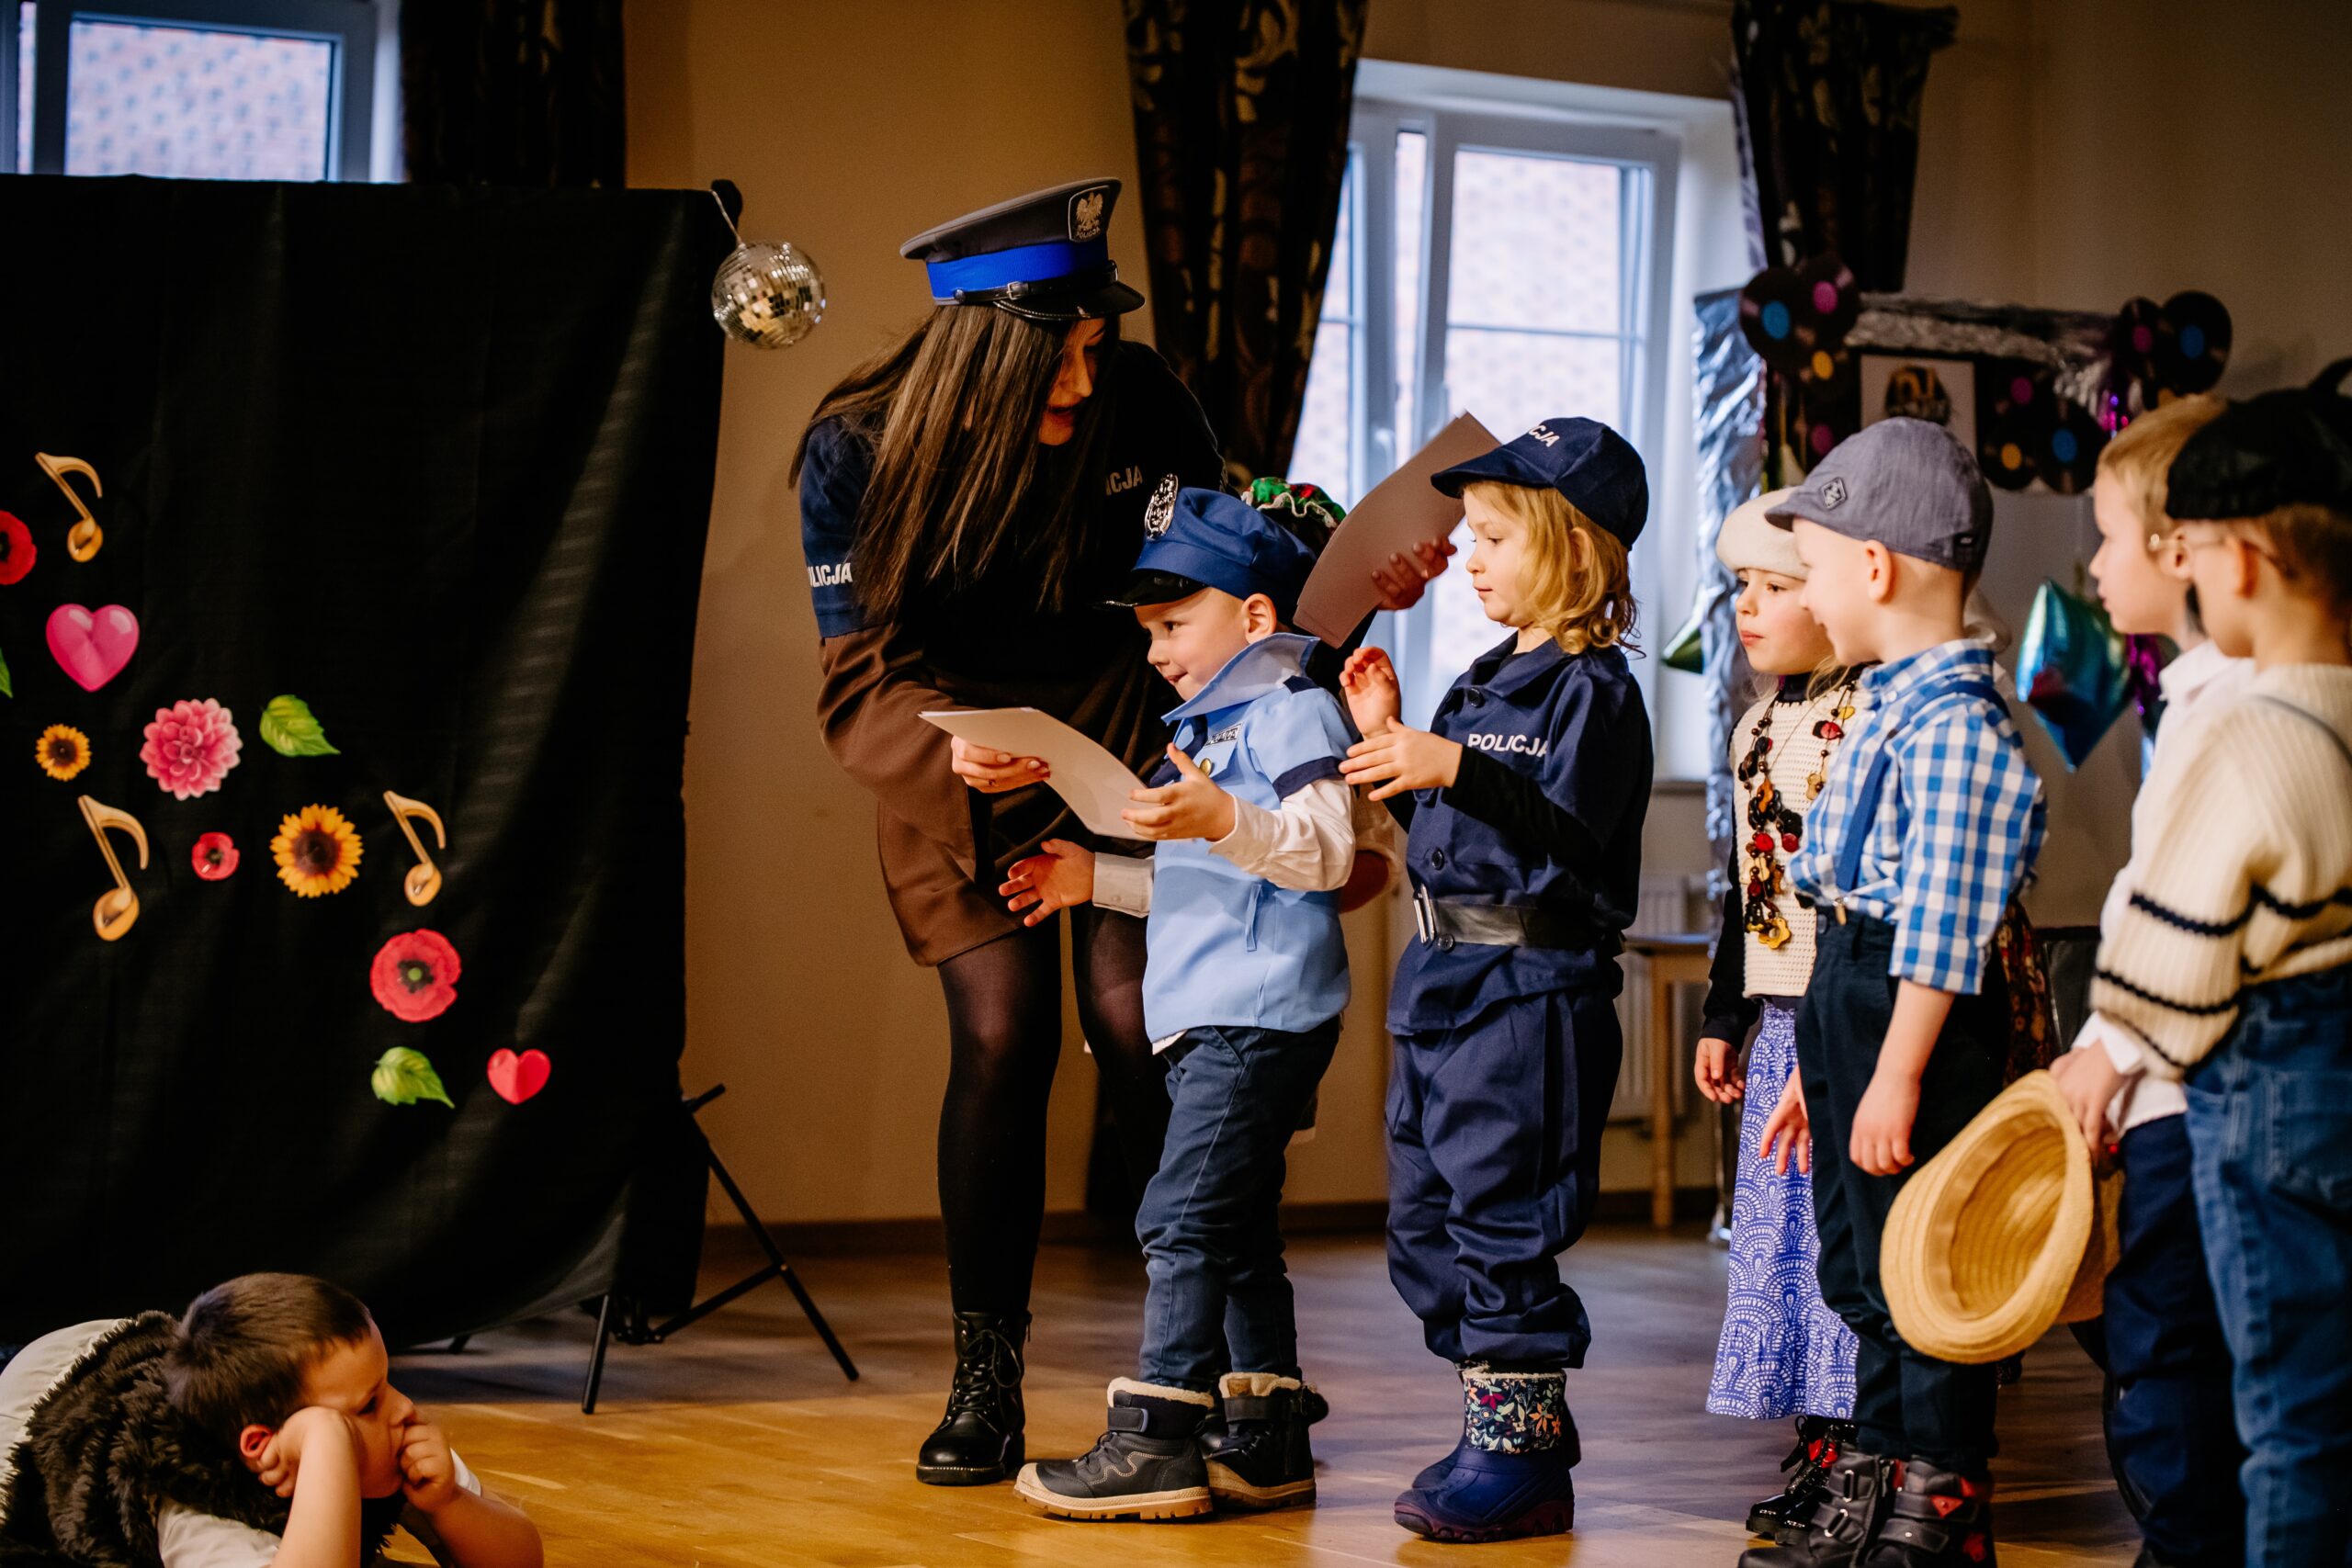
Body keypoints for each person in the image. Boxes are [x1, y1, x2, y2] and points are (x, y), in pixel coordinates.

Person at [792, 176, 1226, 1486]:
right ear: (987, 346)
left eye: (1097, 344)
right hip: (953, 748)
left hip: (1127, 728)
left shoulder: (1145, 401)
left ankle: (1194, 1367)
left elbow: (1221, 578)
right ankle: (986, 1378)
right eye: (1065, 352)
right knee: (1000, 1035)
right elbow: (859, 669)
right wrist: (953, 746)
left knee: (1139, 1023)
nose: (1088, 380)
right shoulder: (855, 444)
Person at [1004, 487, 1356, 1521]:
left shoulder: (1293, 709)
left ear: (1256, 616)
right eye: (1149, 631)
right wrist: (1099, 880)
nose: (1156, 650)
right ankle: (1266, 1436)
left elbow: (1327, 853)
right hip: (1212, 1015)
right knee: (1235, 1225)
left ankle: (1155, 1441)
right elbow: (1211, 880)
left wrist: (1221, 815)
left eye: (1174, 624)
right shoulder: (1212, 725)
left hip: (1256, 1016)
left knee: (1180, 1216)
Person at [1337, 418, 1652, 1544]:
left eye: (1492, 538)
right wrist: (1395, 742)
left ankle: (1515, 1454)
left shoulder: (1594, 691)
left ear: (1573, 548)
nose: (1468, 558)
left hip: (1528, 990)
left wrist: (1452, 766)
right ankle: (1510, 1421)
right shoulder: (1478, 685)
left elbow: (1566, 830)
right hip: (1441, 982)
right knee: (1423, 1230)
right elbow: (1454, 834)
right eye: (1469, 535)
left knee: (1501, 1221)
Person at [1744, 418, 2047, 1568]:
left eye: (1811, 569)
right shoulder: (1889, 704)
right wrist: (1823, 1072)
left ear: (1873, 567)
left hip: (1913, 1004)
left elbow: (1944, 928)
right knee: (1861, 1263)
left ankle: (1942, 1499)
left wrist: (1897, 1072)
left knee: (1924, 1262)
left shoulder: (1958, 730)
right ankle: (1874, 1472)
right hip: (1852, 990)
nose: (1808, 595)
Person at [2084, 365, 2352, 1568]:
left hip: (2260, 1088)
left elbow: (2173, 946)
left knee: (2278, 1404)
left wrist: (2109, 1047)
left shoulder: (2245, 725)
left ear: (2233, 562)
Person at [2044, 393, 2248, 1568]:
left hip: (2185, 1093)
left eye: (2110, 536)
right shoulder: (2191, 700)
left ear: (2178, 551)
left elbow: (2190, 899)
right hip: (2159, 1087)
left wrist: (2112, 1047)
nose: (2093, 564)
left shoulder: (2229, 709)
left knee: (2170, 1347)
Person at [1692, 487, 1863, 1545]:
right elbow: (1745, 885)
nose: (1746, 608)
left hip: (1844, 1017)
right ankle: (1814, 1442)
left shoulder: (1864, 714)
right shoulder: (1758, 723)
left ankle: (1862, 1446)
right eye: (1739, 587)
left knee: (1843, 1248)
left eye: (1774, 586)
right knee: (1785, 1252)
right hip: (1781, 1026)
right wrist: (1726, 1012)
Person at [0, 1273, 541, 1568]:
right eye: (368, 1404)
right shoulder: (198, 1506)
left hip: (134, 1345)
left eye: (387, 1382)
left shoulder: (388, 1434)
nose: (404, 1408)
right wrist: (327, 1439)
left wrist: (450, 1505)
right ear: (267, 1445)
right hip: (35, 1402)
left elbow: (523, 1562)